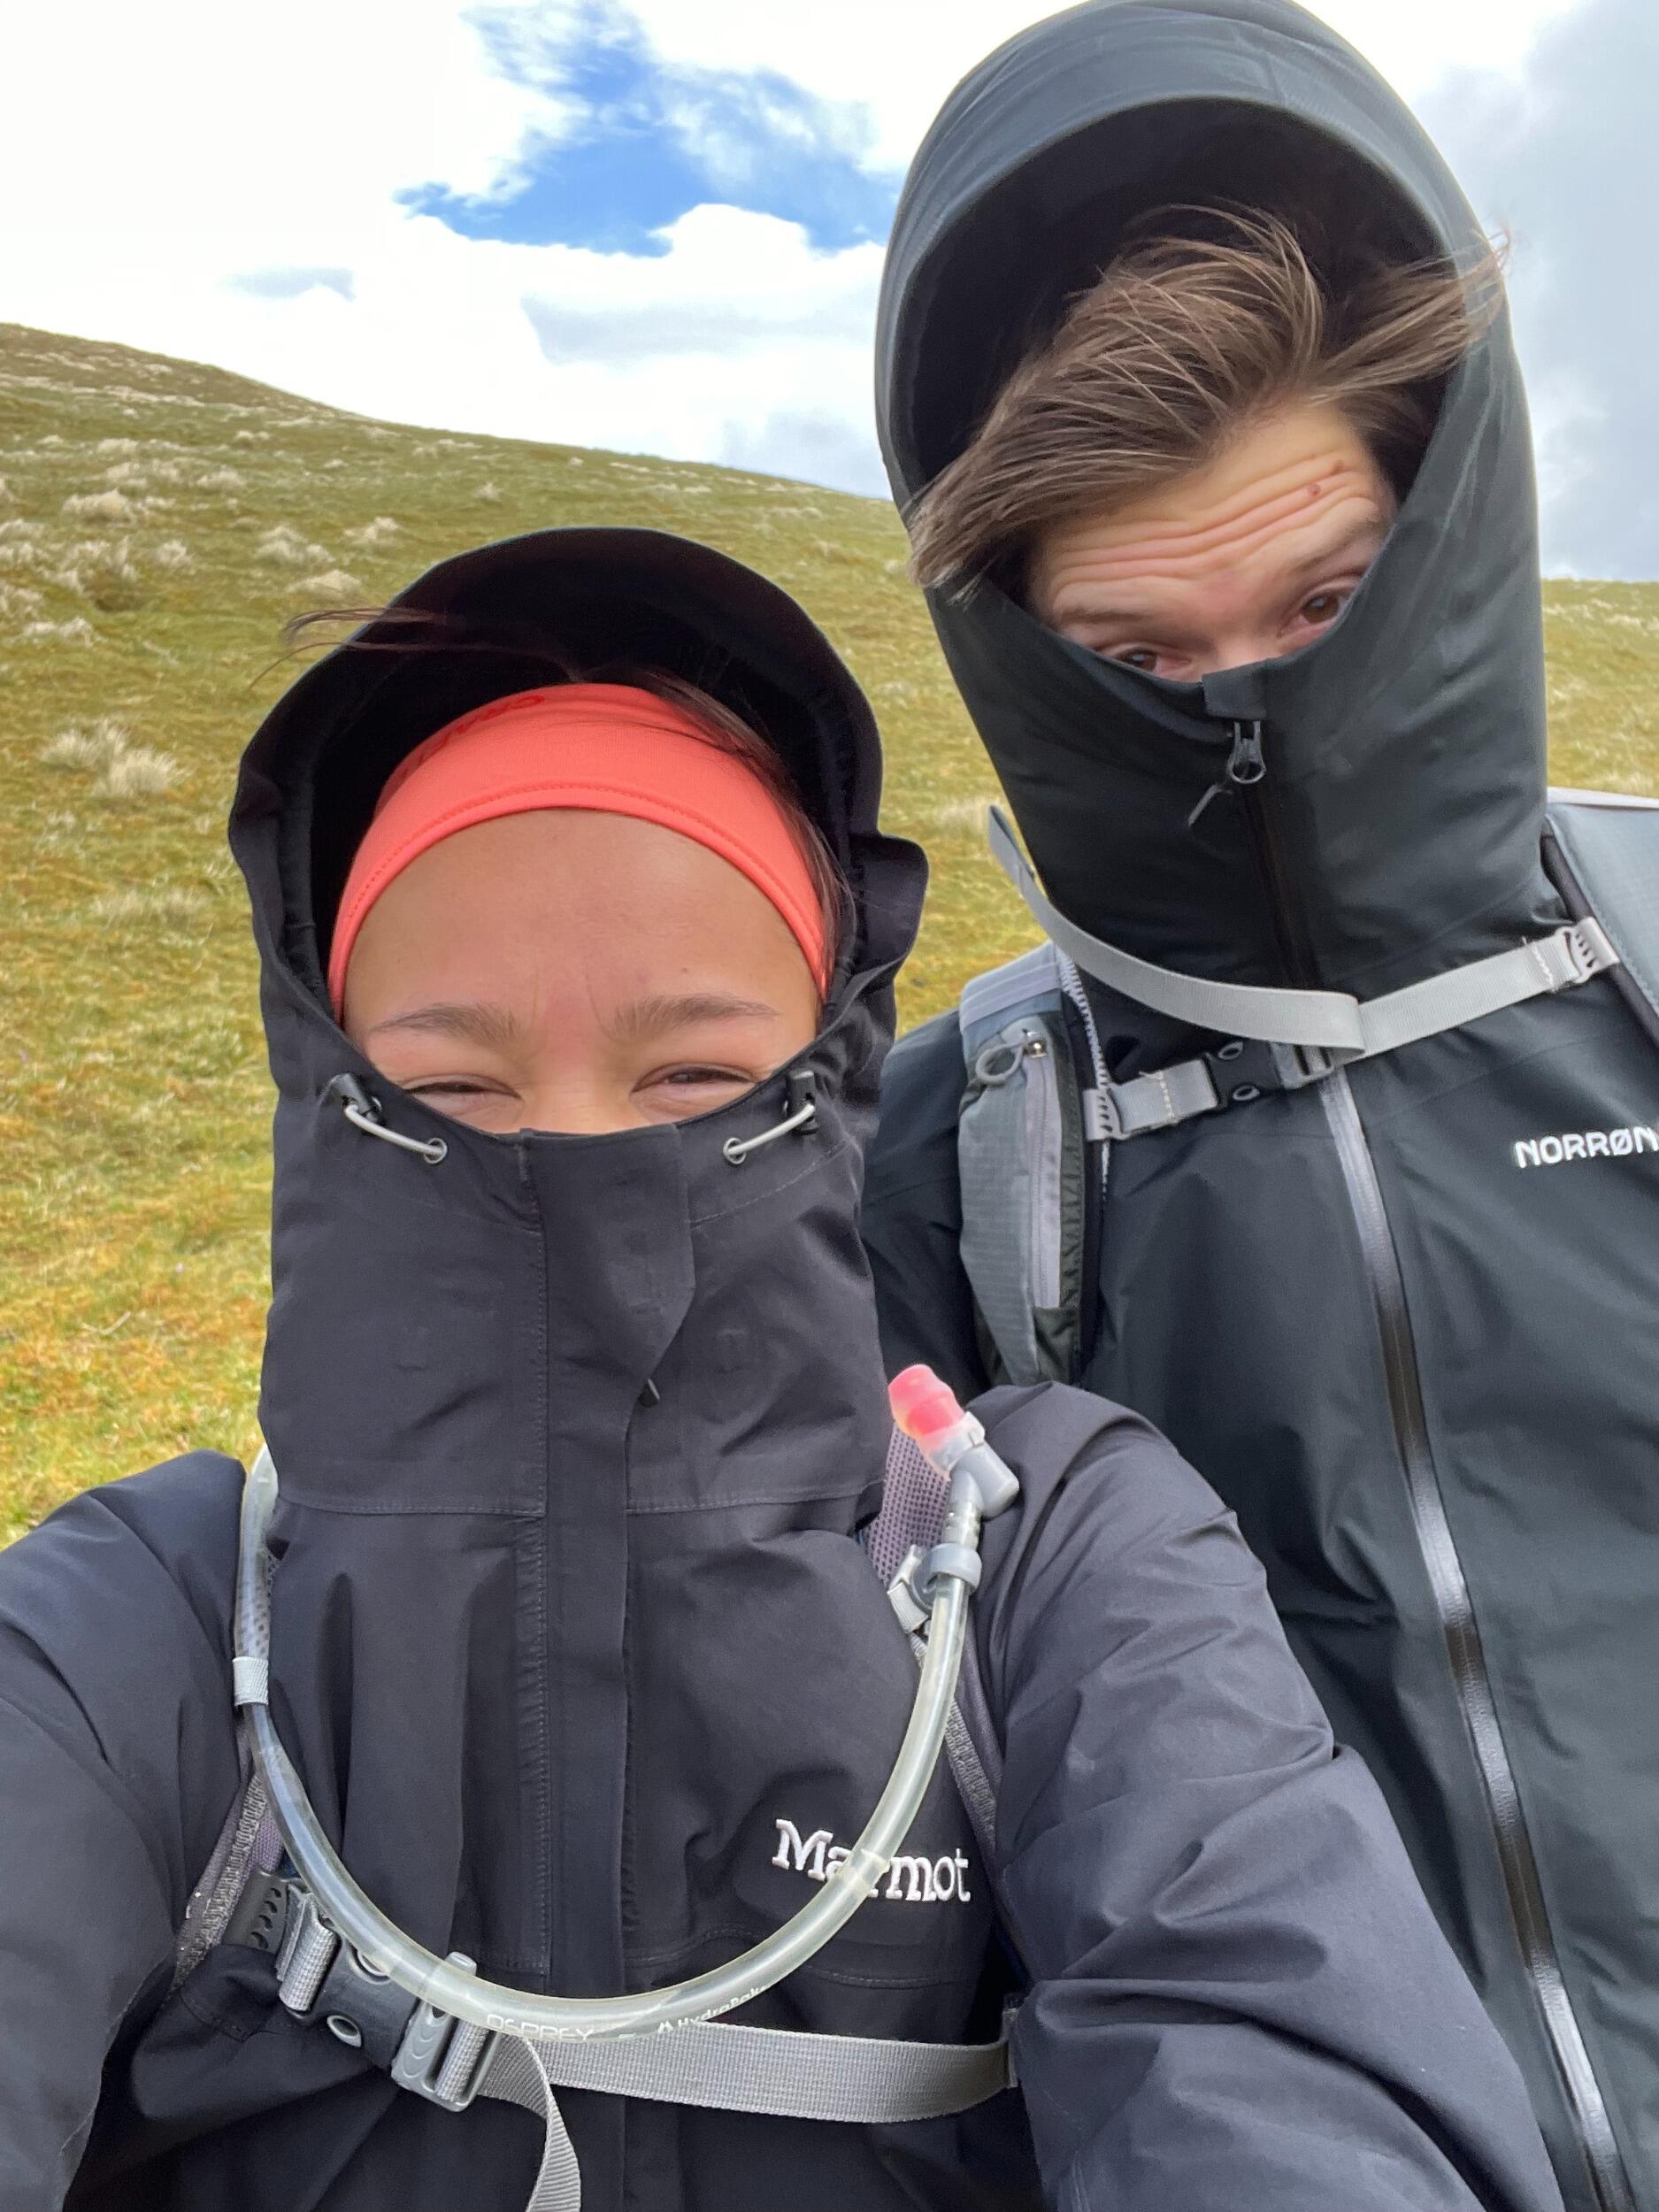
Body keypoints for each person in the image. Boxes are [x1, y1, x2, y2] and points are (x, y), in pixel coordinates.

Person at [0, 526, 1560, 2212]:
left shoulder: (1045, 1557)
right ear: (333, 1095)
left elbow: (1279, 2051)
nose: (581, 1153)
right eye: (453, 1091)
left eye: (692, 1079)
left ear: (830, 1073)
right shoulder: (140, 1627)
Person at [864, 5, 1659, 2210]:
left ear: (1448, 528)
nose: (1255, 718)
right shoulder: (948, 1152)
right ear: (1013, 648)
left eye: (1324, 602)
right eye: (1138, 660)